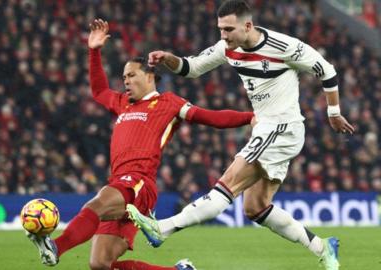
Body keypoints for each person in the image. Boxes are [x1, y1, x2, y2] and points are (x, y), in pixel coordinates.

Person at [126, 1, 354, 270]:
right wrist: (168, 58)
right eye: (220, 29)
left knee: (228, 183)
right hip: (269, 129)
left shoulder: (283, 46)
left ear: (248, 26)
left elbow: (326, 69)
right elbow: (191, 67)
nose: (223, 36)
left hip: (281, 127)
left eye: (229, 29)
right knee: (255, 207)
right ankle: (323, 246)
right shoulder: (227, 48)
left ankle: (163, 228)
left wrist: (333, 112)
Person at [26, 19, 255, 270]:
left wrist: (250, 117)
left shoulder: (169, 103)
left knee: (95, 205)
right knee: (100, 264)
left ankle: (56, 247)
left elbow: (211, 117)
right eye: (124, 77)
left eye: (131, 75)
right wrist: (94, 51)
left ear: (149, 76)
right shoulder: (123, 102)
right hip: (120, 182)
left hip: (139, 183)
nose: (125, 81)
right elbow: (100, 91)